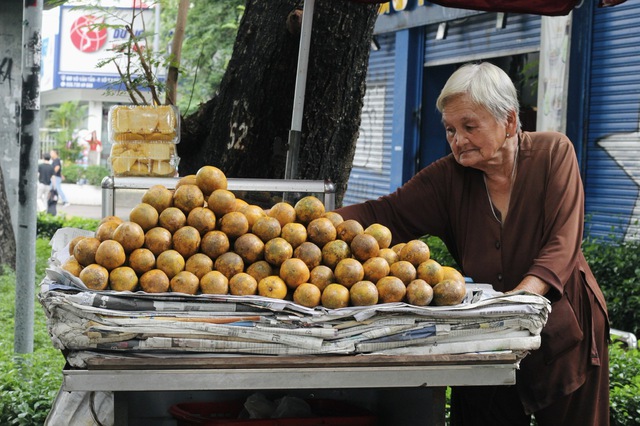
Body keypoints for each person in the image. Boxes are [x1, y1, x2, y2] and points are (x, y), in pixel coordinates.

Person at [336, 62, 609, 425]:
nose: (457, 139)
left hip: (566, 328)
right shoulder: (448, 177)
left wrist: (523, 298)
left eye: (469, 126)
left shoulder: (552, 153)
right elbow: (385, 213)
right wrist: (293, 221)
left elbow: (563, 241)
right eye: (450, 129)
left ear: (509, 122)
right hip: (488, 335)